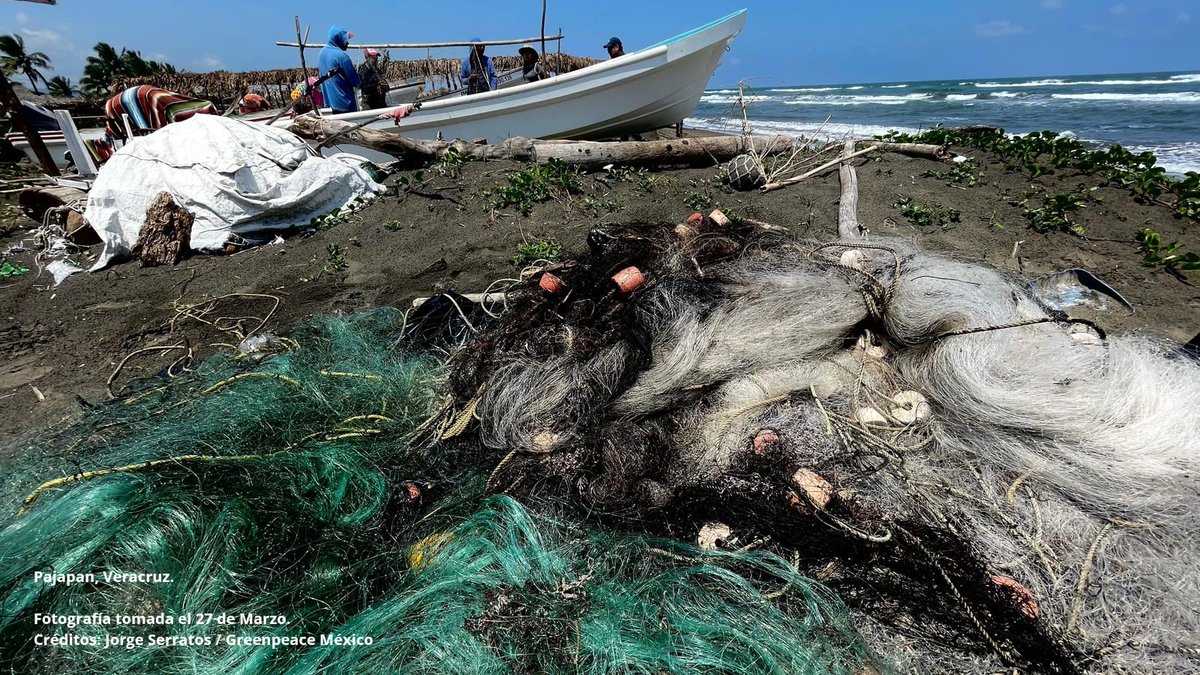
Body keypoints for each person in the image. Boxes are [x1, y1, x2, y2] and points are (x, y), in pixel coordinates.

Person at [317, 25, 362, 113]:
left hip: (329, 105)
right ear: (338, 39)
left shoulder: (321, 53)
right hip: (345, 105)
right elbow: (356, 82)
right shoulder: (342, 57)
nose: (347, 43)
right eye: (345, 40)